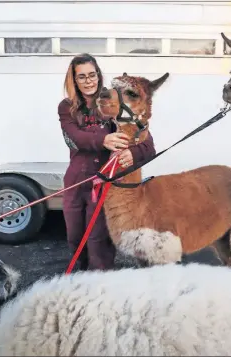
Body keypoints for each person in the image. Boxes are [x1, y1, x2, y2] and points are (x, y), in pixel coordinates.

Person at [58, 53, 156, 271]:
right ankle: (80, 281)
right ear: (74, 80)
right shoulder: (67, 107)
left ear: (98, 75)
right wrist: (103, 140)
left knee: (98, 242)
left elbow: (148, 144)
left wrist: (136, 153)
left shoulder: (116, 103)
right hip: (75, 183)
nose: (88, 81)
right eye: (81, 77)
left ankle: (101, 285)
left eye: (92, 75)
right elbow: (75, 137)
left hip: (105, 184)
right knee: (75, 238)